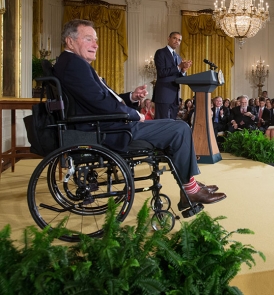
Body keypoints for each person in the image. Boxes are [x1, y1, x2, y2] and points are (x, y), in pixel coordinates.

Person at [54, 19, 226, 206]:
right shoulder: (74, 65)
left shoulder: (72, 63)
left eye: (95, 40)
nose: (95, 45)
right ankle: (191, 190)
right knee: (180, 129)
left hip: (106, 124)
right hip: (109, 130)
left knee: (177, 127)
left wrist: (131, 97)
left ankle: (190, 183)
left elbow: (100, 99)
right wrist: (134, 114)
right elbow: (100, 103)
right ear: (70, 41)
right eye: (88, 39)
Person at [153, 32, 192, 119]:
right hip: (163, 94)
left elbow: (181, 78)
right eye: (175, 38)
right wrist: (179, 66)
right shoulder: (161, 53)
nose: (177, 41)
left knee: (172, 124)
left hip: (175, 96)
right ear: (168, 38)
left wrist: (183, 70)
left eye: (179, 40)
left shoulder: (178, 57)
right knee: (162, 123)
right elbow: (162, 72)